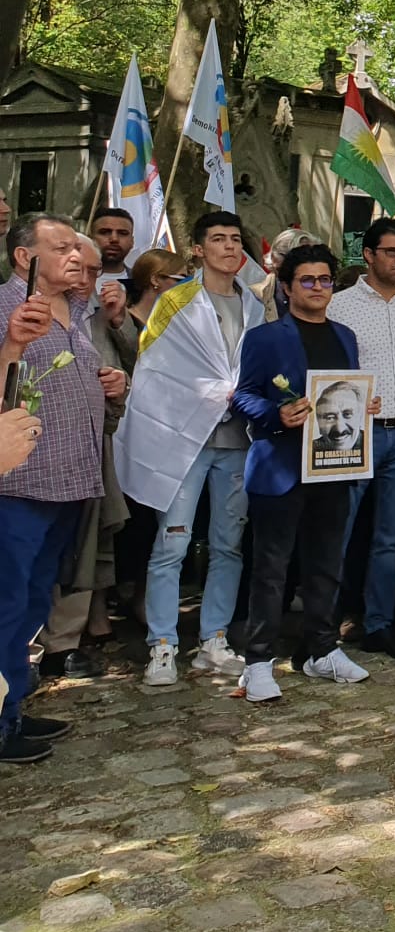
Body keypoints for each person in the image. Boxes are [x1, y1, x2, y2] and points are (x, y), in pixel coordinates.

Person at [124, 210, 264, 687]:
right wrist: (207, 394)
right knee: (173, 542)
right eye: (218, 239)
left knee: (229, 543)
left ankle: (214, 639)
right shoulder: (175, 302)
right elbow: (155, 370)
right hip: (185, 440)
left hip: (238, 441)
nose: (229, 246)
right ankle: (162, 644)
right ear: (199, 250)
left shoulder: (257, 306)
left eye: (235, 238)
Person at [232, 244, 373, 701]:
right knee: (271, 569)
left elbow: (343, 392)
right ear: (288, 288)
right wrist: (277, 414)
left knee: (326, 565)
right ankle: (257, 661)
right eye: (308, 280)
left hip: (334, 465)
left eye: (325, 280)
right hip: (280, 466)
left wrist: (362, 404)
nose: (317, 288)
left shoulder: (346, 335)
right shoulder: (265, 337)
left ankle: (321, 648)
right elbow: (243, 396)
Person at [0, 216, 116, 763]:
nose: (76, 257)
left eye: (77, 247)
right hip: (18, 484)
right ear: (25, 259)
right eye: (62, 248)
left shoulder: (83, 312)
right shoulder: (5, 307)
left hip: (70, 482)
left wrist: (111, 383)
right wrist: (12, 342)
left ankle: (13, 707)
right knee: (7, 602)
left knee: (31, 606)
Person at [329, 217, 395, 659]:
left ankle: (380, 624)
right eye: (391, 252)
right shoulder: (339, 305)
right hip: (350, 433)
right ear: (368, 255)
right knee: (338, 530)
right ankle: (325, 622)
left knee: (391, 537)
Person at [90, 207, 135, 287]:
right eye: (105, 232)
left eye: (122, 233)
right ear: (90, 238)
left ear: (132, 241)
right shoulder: (69, 281)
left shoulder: (143, 285)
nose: (114, 239)